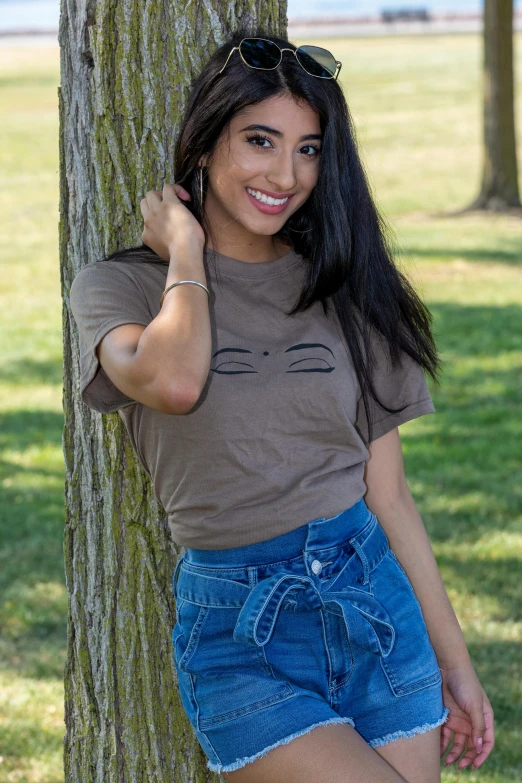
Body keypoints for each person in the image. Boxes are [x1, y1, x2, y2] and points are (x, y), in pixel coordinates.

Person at [69, 29, 494, 783]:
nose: (285, 173)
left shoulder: (341, 285)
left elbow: (389, 495)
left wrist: (456, 665)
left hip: (371, 602)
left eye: (308, 148)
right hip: (240, 635)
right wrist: (189, 253)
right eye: (259, 141)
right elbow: (173, 383)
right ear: (203, 146)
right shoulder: (121, 288)